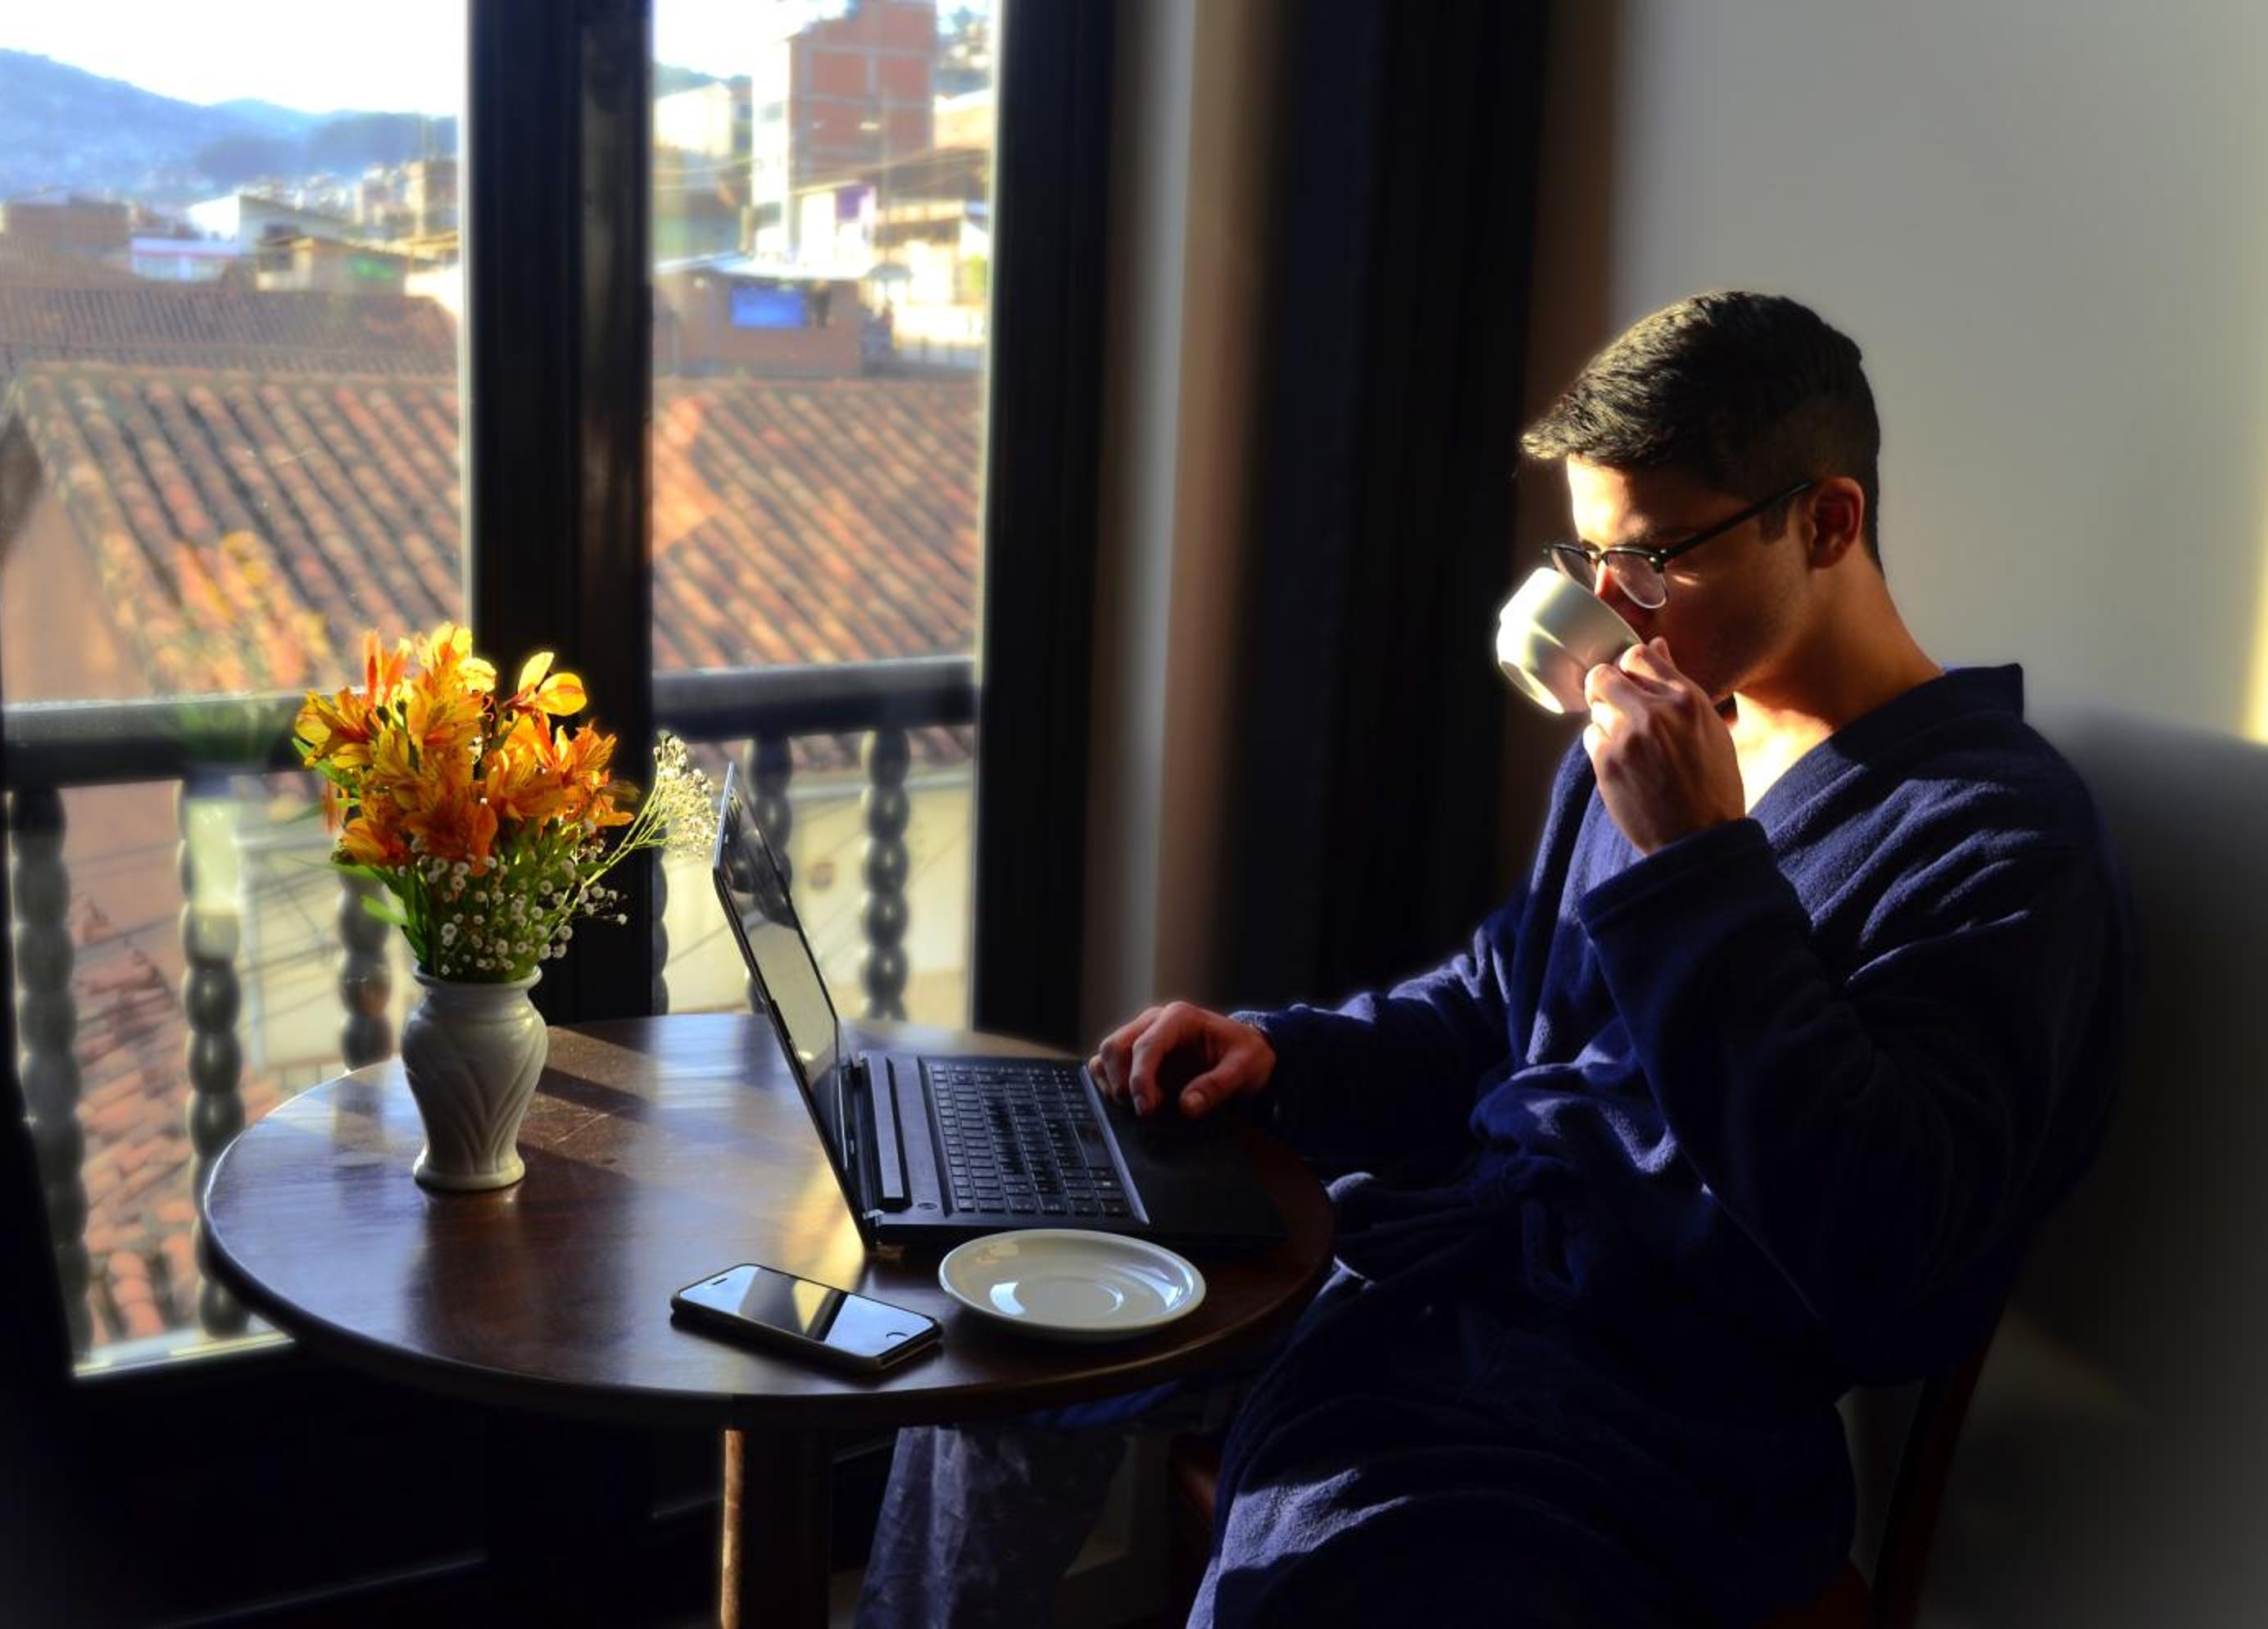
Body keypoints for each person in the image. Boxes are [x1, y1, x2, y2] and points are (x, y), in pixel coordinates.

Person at [855, 292, 2129, 1627]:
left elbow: (1885, 1249)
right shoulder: (1661, 737)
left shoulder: (1997, 841)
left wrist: (1700, 866)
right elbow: (1501, 1004)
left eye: (1652, 560)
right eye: (1588, 559)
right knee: (1001, 1336)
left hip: (1655, 1411)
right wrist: (1285, 1053)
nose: (1609, 613)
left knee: (1316, 1577)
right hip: (1432, 1269)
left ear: (1826, 522)